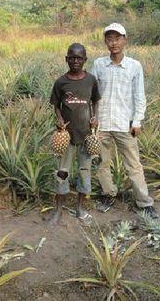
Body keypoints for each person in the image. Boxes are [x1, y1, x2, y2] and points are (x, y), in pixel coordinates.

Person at [91, 23, 158, 219]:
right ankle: (108, 194)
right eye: (110, 39)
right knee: (102, 163)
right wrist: (92, 119)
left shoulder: (134, 66)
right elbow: (92, 94)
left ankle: (144, 202)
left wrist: (137, 120)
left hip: (124, 124)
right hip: (102, 123)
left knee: (133, 165)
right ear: (105, 42)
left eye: (117, 38)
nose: (114, 43)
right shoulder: (98, 64)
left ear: (124, 40)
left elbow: (139, 96)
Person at [48, 43, 101, 226]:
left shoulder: (91, 80)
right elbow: (56, 105)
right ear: (66, 59)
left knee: (84, 172)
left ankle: (80, 208)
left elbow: (95, 101)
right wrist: (59, 118)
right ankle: (58, 210)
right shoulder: (61, 82)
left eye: (79, 58)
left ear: (85, 60)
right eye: (72, 57)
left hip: (86, 135)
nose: (75, 61)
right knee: (62, 172)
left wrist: (95, 117)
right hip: (66, 136)